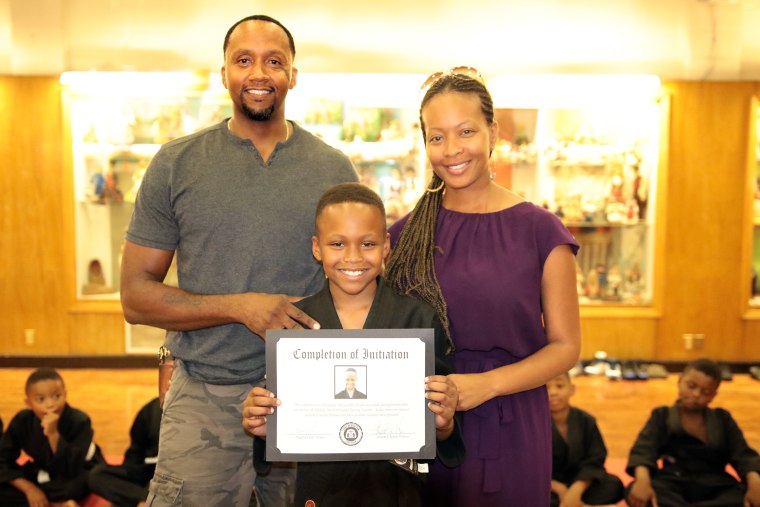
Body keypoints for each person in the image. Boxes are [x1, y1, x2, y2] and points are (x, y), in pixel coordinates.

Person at [118, 14, 357, 507]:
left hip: (306, 396)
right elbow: (136, 296)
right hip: (206, 395)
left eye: (274, 61)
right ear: (223, 73)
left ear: (293, 75)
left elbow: (357, 282)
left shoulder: (333, 168)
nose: (259, 73)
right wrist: (241, 307)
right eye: (243, 60)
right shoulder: (177, 163)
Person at [384, 69, 581, 505]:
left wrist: (486, 385)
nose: (452, 150)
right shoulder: (403, 236)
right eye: (436, 137)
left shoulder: (540, 230)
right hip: (422, 419)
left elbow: (566, 346)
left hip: (509, 419)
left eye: (466, 131)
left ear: (493, 132)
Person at [242, 182, 465, 506]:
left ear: (386, 245)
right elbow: (283, 419)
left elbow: (443, 427)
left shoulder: (418, 320)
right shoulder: (295, 323)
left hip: (397, 493)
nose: (353, 257)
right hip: (320, 492)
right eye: (337, 243)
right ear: (317, 248)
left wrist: (444, 422)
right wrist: (264, 424)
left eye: (368, 243)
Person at [625, 358, 760, 507]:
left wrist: (755, 485)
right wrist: (642, 481)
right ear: (680, 380)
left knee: (743, 497)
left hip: (714, 482)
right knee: (635, 491)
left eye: (705, 392)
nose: (696, 394)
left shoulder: (722, 418)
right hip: (673, 479)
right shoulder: (662, 415)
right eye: (691, 386)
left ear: (714, 395)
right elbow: (644, 450)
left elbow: (743, 455)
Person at [0, 368, 105, 507]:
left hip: (76, 472)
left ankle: (53, 501)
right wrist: (29, 489)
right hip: (43, 473)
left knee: (86, 482)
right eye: (40, 399)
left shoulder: (79, 421)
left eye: (56, 396)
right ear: (28, 402)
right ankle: (57, 504)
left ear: (65, 395)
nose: (50, 404)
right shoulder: (22, 421)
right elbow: (3, 460)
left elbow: (71, 468)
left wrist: (53, 434)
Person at [547, 372, 624, 507]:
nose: (553, 392)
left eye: (559, 386)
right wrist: (559, 489)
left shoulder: (586, 420)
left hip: (581, 481)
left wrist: (576, 489)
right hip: (549, 486)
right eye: (546, 388)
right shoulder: (533, 426)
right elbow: (527, 466)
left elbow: (595, 458)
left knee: (614, 485)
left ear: (572, 389)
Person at [87, 397, 161, 507]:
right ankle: (148, 501)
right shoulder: (151, 409)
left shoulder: (191, 412)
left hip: (171, 478)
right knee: (95, 475)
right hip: (145, 473)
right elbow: (135, 451)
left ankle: (146, 500)